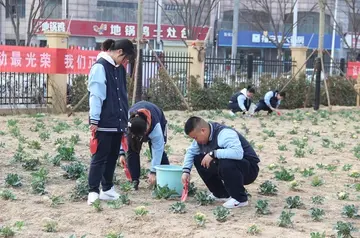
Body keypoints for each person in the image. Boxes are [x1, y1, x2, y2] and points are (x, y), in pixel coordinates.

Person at [87, 39, 135, 205]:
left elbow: (122, 95)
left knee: (113, 155)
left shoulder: (119, 69)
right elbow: (96, 94)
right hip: (104, 121)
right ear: (120, 52)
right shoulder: (100, 66)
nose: (126, 62)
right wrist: (94, 119)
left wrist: (125, 119)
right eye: (126, 58)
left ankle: (107, 189)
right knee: (100, 156)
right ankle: (93, 190)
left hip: (118, 121)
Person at [182, 116, 260, 209]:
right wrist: (186, 171)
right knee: (199, 159)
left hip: (248, 169)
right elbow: (191, 152)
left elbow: (238, 153)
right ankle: (220, 194)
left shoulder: (224, 133)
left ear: (203, 130)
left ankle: (240, 199)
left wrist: (213, 153)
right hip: (231, 167)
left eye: (195, 137)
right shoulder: (202, 139)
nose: (195, 141)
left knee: (225, 161)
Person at [119, 100, 169, 190]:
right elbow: (122, 136)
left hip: (158, 118)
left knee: (159, 152)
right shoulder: (127, 122)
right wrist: (121, 153)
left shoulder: (156, 128)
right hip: (136, 128)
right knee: (132, 149)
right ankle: (134, 181)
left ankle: (166, 179)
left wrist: (153, 172)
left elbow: (158, 149)